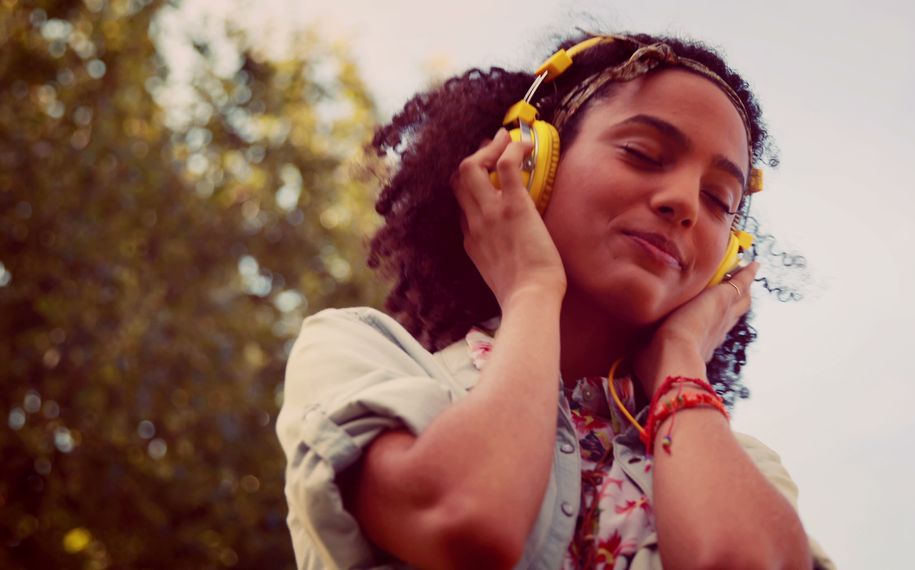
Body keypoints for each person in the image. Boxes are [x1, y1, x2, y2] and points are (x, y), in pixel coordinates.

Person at [276, 31, 835, 569]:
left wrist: (680, 359)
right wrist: (533, 290)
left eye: (719, 199)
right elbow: (466, 519)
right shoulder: (364, 354)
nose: (684, 202)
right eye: (643, 153)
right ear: (531, 161)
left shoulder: (747, 469)